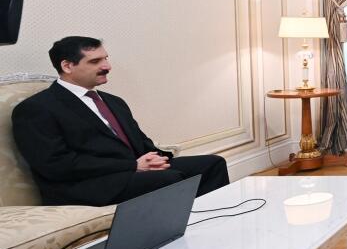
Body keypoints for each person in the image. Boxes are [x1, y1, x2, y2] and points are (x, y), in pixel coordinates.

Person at [12, 36, 230, 206]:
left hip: (130, 171)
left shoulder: (113, 101)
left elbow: (140, 142)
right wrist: (133, 166)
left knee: (212, 164)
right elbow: (57, 166)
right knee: (169, 179)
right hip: (86, 185)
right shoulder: (37, 109)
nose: (107, 66)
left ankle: (211, 228)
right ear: (68, 66)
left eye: (105, 58)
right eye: (95, 61)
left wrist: (156, 158)